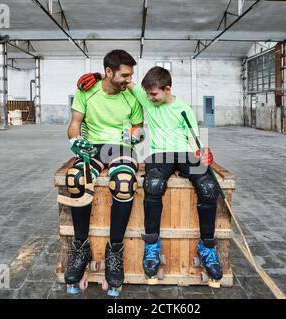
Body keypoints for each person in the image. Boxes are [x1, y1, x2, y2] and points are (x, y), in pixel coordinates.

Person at [77, 66, 223, 287]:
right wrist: (97, 76)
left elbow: (194, 138)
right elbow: (120, 80)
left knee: (209, 188)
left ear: (167, 89)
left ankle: (207, 247)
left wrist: (203, 152)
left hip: (184, 154)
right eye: (147, 94)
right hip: (160, 154)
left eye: (154, 94)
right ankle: (152, 246)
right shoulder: (147, 99)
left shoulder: (183, 109)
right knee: (153, 184)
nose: (149, 98)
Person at [65, 49, 144, 296]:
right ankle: (80, 247)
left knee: (123, 182)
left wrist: (136, 135)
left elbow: (138, 127)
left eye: (131, 75)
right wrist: (74, 141)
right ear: (108, 72)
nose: (129, 80)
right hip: (93, 145)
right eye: (125, 75)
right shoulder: (86, 90)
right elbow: (75, 123)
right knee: (75, 179)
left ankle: (115, 250)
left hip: (121, 148)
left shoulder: (131, 95)